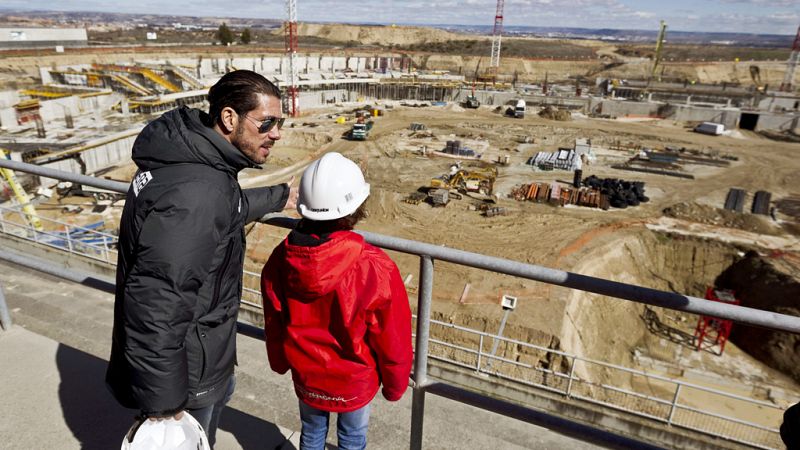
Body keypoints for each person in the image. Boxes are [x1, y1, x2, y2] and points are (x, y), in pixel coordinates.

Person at [106, 69, 299, 448]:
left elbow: (224, 207)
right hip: (189, 373)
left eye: (280, 122)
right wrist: (164, 405)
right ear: (229, 118)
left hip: (191, 355)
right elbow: (157, 301)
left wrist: (278, 197)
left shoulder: (189, 162)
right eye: (267, 123)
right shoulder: (198, 190)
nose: (276, 133)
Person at [261, 152, 413, 450]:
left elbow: (274, 320)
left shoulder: (281, 258)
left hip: (307, 375)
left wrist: (279, 363)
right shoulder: (375, 267)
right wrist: (395, 387)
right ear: (356, 207)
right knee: (352, 439)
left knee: (312, 433)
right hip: (354, 381)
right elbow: (393, 338)